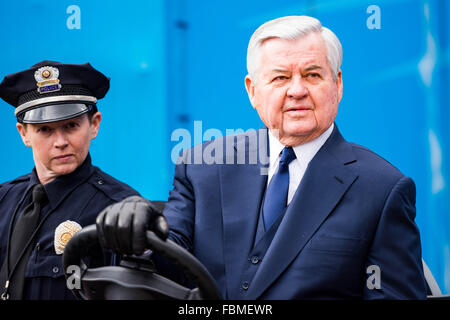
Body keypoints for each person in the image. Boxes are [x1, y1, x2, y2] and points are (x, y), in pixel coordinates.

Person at [96, 16, 427, 299]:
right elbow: (167, 260)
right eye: (281, 77)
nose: (297, 90)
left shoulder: (382, 189)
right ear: (253, 90)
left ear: (337, 84)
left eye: (312, 75)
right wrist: (136, 231)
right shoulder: (203, 167)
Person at [0, 61, 140, 300]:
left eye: (71, 125)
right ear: (23, 134)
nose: (60, 141)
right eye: (45, 129)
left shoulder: (119, 209)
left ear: (94, 125)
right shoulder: (3, 200)